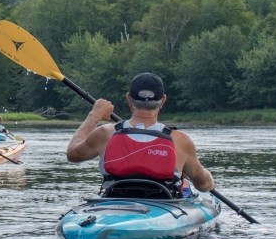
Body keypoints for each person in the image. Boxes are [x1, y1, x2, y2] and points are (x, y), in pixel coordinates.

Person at [66, 72, 214, 197]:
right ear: (162, 101)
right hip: (164, 207)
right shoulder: (179, 140)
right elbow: (203, 184)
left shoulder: (106, 133)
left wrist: (95, 114)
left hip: (112, 205)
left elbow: (73, 154)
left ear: (129, 99)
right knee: (185, 185)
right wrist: (207, 177)